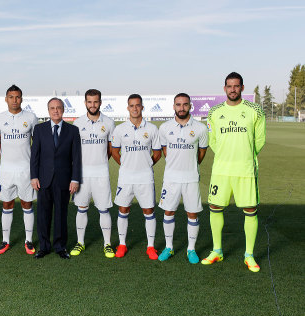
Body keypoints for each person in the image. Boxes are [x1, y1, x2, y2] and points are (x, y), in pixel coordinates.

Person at [202, 72, 266, 272]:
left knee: (250, 210)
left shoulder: (255, 110)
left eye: (236, 86)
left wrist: (246, 156)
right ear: (224, 89)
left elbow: (260, 140)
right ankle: (217, 251)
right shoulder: (214, 112)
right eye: (229, 86)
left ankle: (249, 255)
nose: (232, 89)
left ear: (242, 88)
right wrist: (225, 154)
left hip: (245, 169)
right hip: (221, 169)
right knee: (215, 207)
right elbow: (212, 141)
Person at [157, 93, 208, 264]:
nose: (181, 108)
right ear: (173, 106)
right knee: (168, 212)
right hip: (171, 178)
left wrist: (189, 166)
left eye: (185, 104)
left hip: (191, 178)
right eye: (178, 104)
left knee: (192, 214)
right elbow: (165, 151)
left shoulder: (200, 128)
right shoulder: (164, 128)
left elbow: (201, 154)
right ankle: (169, 247)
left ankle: (191, 249)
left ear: (190, 106)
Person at [30, 98, 82, 259]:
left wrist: (75, 179)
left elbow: (76, 157)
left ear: (63, 110)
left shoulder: (72, 131)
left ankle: (60, 247)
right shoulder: (39, 129)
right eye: (52, 108)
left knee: (61, 214)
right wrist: (34, 177)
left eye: (58, 108)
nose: (55, 111)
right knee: (43, 215)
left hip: (63, 180)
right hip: (43, 180)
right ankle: (44, 247)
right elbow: (35, 156)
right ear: (48, 110)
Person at [111, 94, 161, 259]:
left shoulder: (152, 129)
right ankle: (122, 244)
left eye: (137, 105)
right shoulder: (120, 129)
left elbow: (157, 153)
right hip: (126, 177)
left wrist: (146, 164)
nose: (134, 108)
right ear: (128, 108)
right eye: (131, 105)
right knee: (123, 209)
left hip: (145, 177)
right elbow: (114, 151)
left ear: (142, 107)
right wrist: (125, 164)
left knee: (148, 210)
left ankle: (151, 247)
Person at [71, 89, 116, 258]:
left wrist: (100, 162)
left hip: (101, 173)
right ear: (85, 103)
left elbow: (111, 149)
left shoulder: (109, 123)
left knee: (104, 209)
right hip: (82, 174)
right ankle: (80, 242)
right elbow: (74, 150)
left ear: (100, 102)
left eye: (95, 102)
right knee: (82, 208)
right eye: (89, 102)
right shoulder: (77, 123)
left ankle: (107, 244)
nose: (92, 105)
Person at [0, 85, 38, 255]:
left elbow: (37, 142)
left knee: (27, 204)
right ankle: (5, 241)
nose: (14, 100)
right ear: (6, 99)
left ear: (22, 98)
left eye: (17, 97)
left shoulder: (31, 118)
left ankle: (28, 240)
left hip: (26, 171)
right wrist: (3, 155)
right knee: (7, 204)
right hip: (6, 171)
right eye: (11, 97)